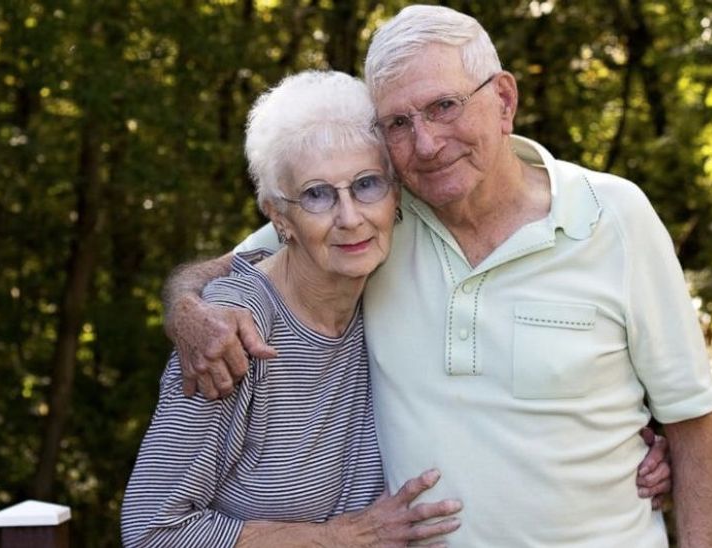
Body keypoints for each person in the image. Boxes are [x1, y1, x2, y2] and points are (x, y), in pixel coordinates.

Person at [164, 5, 712, 547]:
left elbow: (693, 420)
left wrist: (664, 456)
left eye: (444, 106)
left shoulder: (615, 216)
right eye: (399, 124)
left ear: (504, 99)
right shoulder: (372, 221)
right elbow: (235, 268)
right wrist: (186, 310)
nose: (427, 144)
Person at [121, 70, 464, 547]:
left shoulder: (393, 280)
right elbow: (151, 531)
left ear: (396, 193)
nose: (350, 218)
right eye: (316, 195)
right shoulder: (231, 332)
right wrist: (337, 539)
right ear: (278, 216)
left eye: (367, 184)